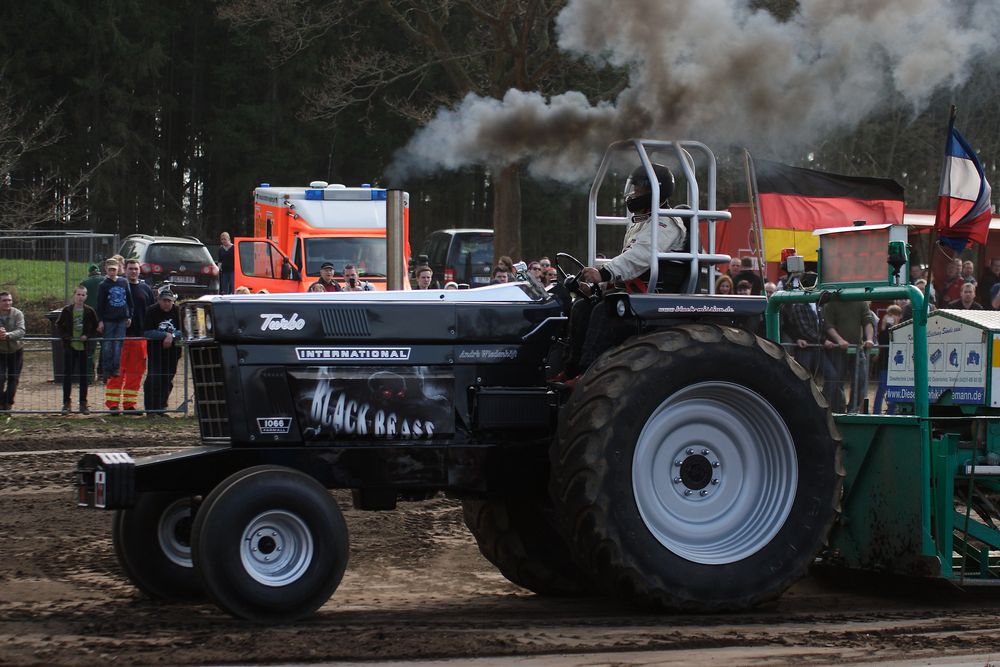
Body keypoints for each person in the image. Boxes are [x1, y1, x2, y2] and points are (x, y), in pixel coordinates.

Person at [568, 163, 686, 377]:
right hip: (634, 292)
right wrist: (598, 287)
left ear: (656, 190)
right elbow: (628, 264)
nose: (634, 193)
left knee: (603, 312)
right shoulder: (642, 223)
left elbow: (641, 256)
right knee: (581, 307)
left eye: (640, 189)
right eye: (635, 188)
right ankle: (571, 369)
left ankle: (589, 375)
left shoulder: (666, 222)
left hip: (653, 297)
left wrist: (603, 273)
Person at [105, 259, 154, 414]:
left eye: (136, 269)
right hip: (120, 337)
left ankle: (129, 405)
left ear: (140, 271)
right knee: (116, 372)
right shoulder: (117, 286)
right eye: (130, 269)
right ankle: (113, 404)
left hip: (140, 338)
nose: (133, 271)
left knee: (136, 373)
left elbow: (151, 311)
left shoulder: (146, 289)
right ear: (124, 270)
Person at [822, 299, 875, 412]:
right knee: (838, 381)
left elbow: (867, 321)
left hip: (857, 348)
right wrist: (839, 340)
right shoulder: (831, 303)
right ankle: (839, 410)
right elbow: (828, 325)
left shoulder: (860, 303)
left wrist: (870, 339)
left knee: (861, 378)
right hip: (837, 349)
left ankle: (853, 410)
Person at [56, 286, 100, 415]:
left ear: (86, 297)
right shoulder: (67, 310)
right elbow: (59, 325)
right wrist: (66, 337)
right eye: (78, 294)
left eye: (83, 295)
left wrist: (87, 335)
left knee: (83, 376)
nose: (80, 297)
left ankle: (83, 403)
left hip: (84, 348)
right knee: (68, 375)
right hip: (70, 347)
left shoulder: (89, 311)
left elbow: (95, 326)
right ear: (74, 295)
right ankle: (66, 403)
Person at [144, 288, 181, 417]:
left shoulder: (178, 311)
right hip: (155, 352)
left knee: (167, 380)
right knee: (153, 379)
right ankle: (150, 409)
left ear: (173, 301)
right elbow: (147, 332)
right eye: (164, 300)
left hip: (173, 353)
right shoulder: (151, 311)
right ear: (159, 300)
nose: (166, 303)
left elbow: (184, 330)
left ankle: (161, 408)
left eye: (169, 301)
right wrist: (165, 335)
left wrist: (172, 336)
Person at [96, 258, 133, 380]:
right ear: (106, 270)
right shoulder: (103, 285)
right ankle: (106, 369)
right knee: (107, 345)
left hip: (121, 318)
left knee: (118, 345)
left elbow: (129, 300)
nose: (112, 272)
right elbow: (100, 304)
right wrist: (100, 320)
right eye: (110, 269)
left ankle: (116, 368)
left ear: (118, 269)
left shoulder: (124, 282)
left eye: (114, 269)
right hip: (108, 319)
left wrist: (129, 315)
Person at [873, 304, 903, 414]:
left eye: (895, 315)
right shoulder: (884, 330)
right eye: (889, 315)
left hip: (897, 365)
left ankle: (891, 411)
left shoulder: (902, 328)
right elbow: (883, 340)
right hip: (885, 363)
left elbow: (897, 339)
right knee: (881, 388)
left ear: (900, 316)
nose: (892, 317)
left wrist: (895, 325)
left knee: (894, 389)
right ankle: (876, 411)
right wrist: (883, 326)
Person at [0, 292, 26, 412]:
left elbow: (21, 330)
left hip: (16, 350)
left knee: (13, 378)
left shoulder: (17, 314)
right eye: (4, 300)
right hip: (1, 351)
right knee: (0, 378)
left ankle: (8, 403)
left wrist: (8, 335)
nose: (7, 303)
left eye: (9, 300)